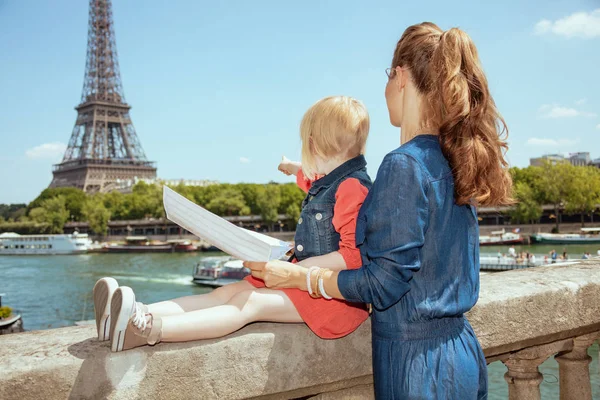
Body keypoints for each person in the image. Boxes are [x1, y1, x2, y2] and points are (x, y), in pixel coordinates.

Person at [245, 22, 513, 399]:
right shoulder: (454, 158)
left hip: (416, 366)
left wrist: (298, 278)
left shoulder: (403, 164)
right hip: (461, 355)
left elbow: (383, 284)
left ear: (400, 77)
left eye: (388, 76)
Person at [92, 96, 373, 352]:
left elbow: (353, 255)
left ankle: (150, 330)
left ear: (314, 144)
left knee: (249, 303)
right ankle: (134, 315)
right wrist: (292, 167)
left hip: (334, 300)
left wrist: (293, 270)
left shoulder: (352, 188)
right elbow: (312, 179)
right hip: (308, 285)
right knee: (227, 291)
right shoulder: (336, 181)